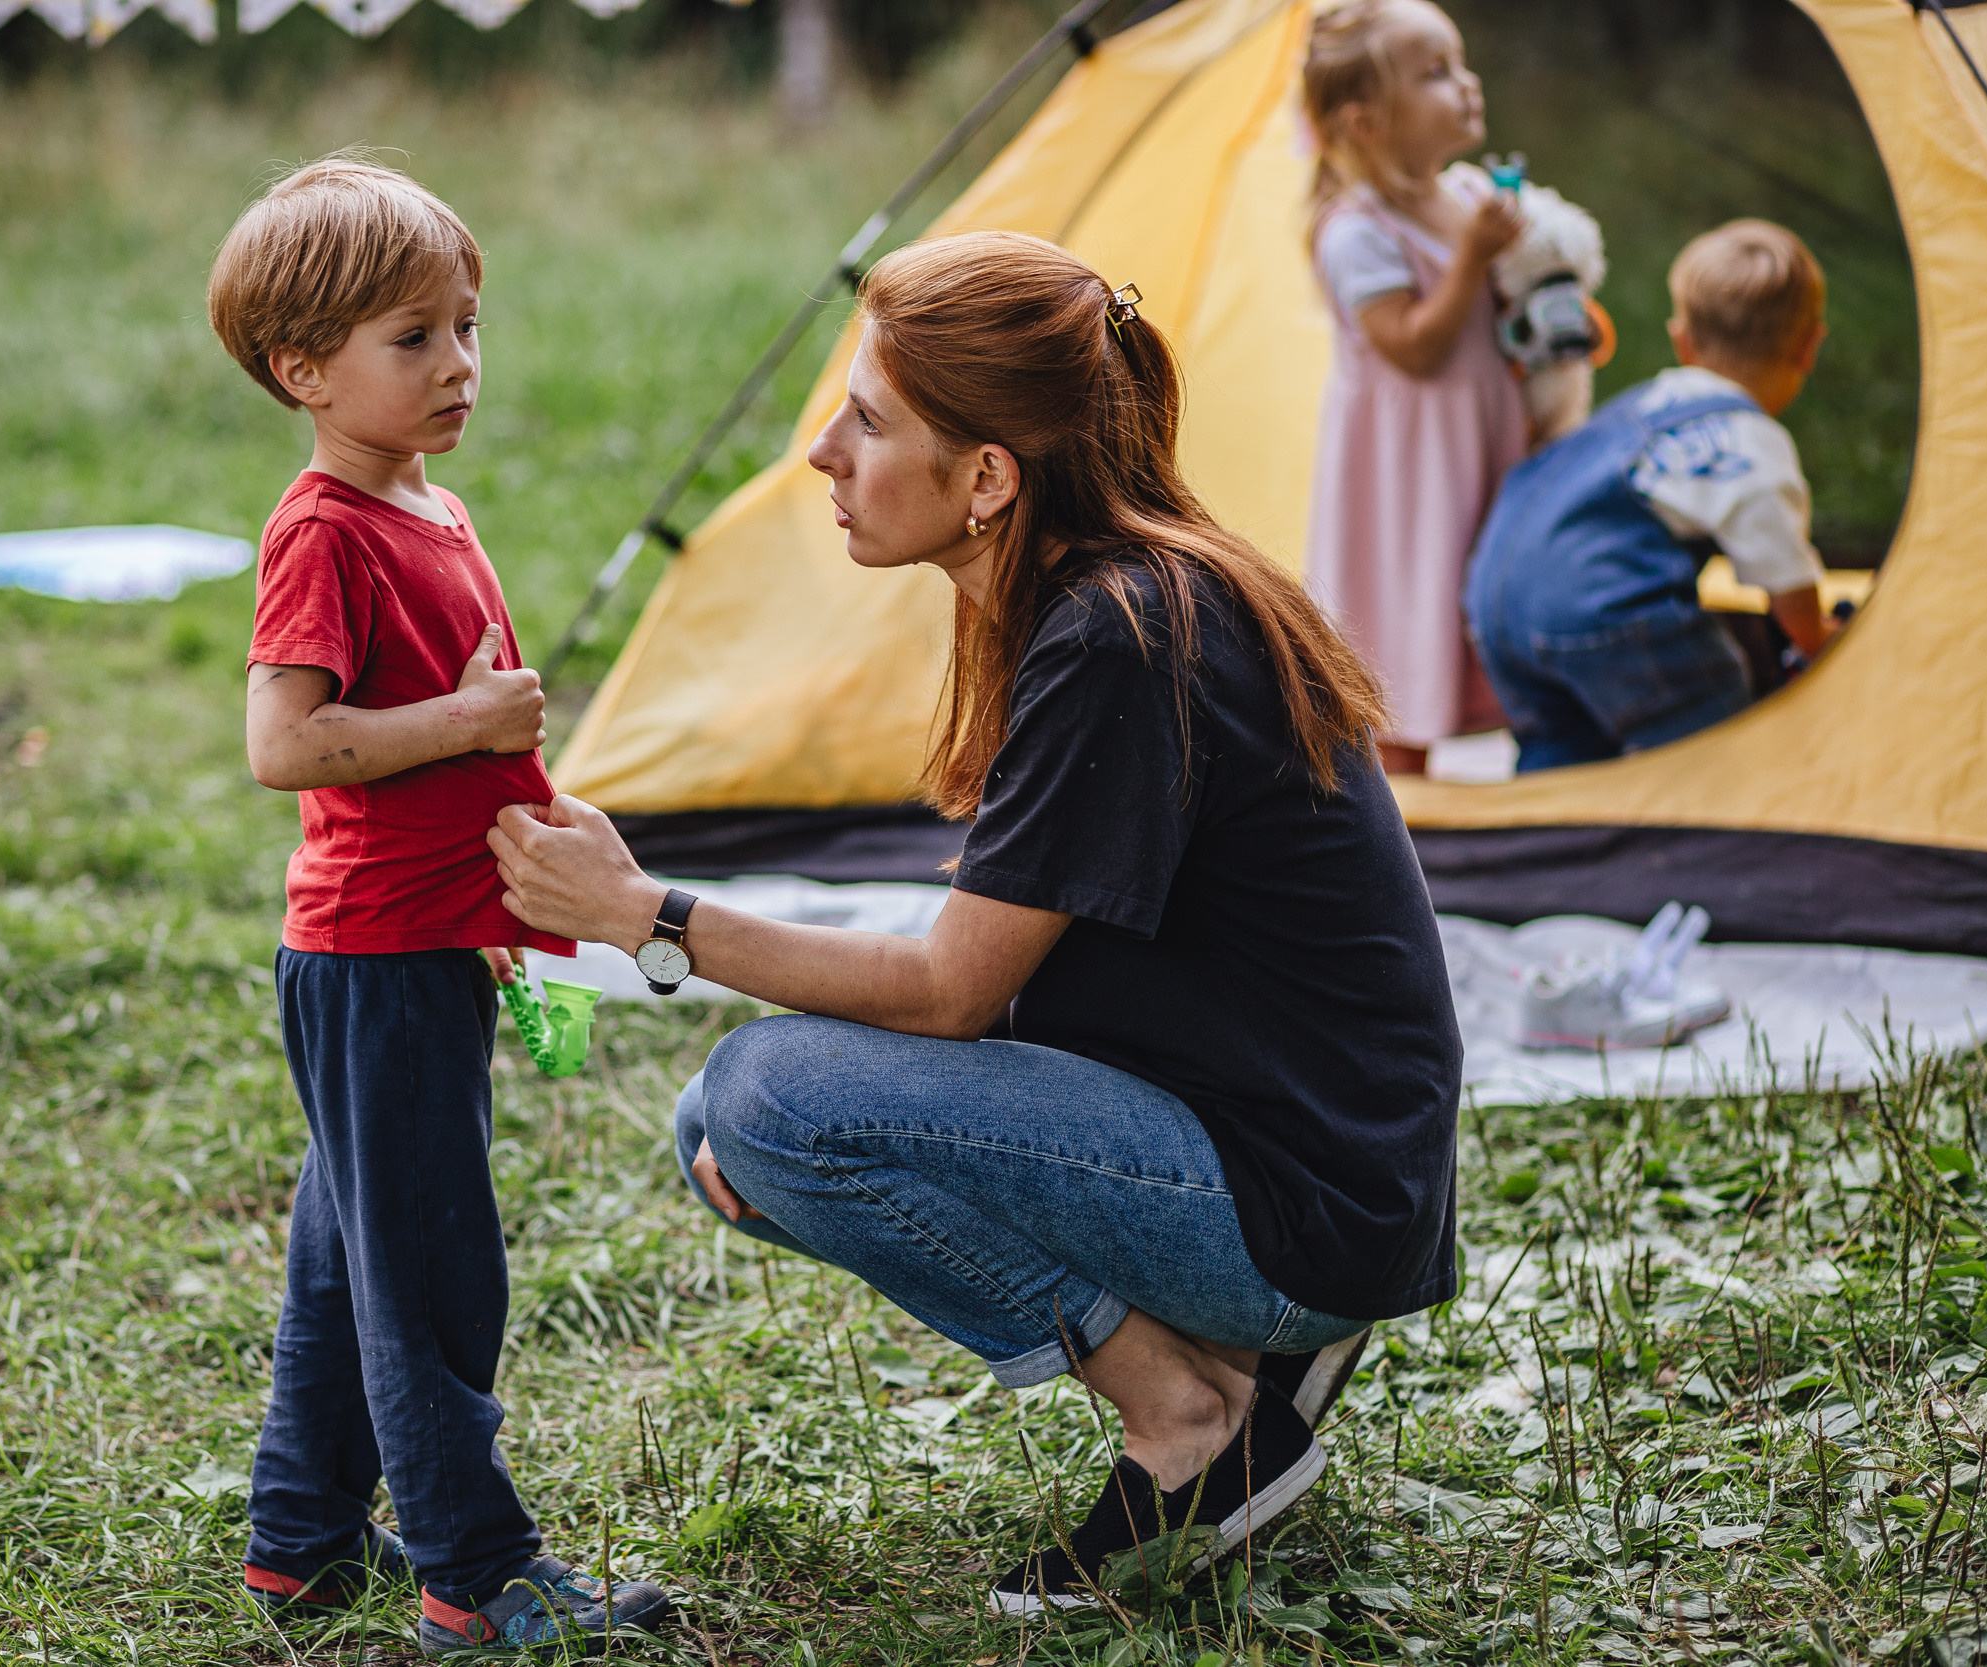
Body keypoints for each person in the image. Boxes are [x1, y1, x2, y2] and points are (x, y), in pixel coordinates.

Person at [488, 231, 1463, 1617]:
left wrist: (650, 915)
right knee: (727, 1121)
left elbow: (952, 992)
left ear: (989, 479)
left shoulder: (1122, 631)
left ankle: (1192, 1413)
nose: (824, 450)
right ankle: (1235, 1362)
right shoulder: (1111, 595)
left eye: (871, 418)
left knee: (769, 1100)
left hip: (1306, 1202)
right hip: (1308, 1163)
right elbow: (1002, 977)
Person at [210, 157, 672, 1655]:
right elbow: (287, 743)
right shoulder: (325, 531)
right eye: (413, 338)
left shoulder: (428, 501)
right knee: (431, 1272)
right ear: (305, 369)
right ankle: (477, 1569)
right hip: (371, 955)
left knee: (355, 1246)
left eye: (467, 325)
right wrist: (467, 732)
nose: (458, 363)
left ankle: (297, 1540)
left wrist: (512, 836)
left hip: (427, 941)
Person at [1464, 220, 1836, 770]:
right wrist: (1824, 640)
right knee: (1721, 732)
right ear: (1809, 346)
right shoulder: (1749, 440)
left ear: (1682, 340)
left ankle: (1542, 843)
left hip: (1495, 597)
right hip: (1599, 605)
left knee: (1564, 758)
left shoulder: (1643, 406)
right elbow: (1794, 601)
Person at [1301, 0, 1530, 775]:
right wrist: (1472, 259)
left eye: (1461, 64)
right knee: (1407, 618)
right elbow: (1412, 348)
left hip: (1480, 446)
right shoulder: (1355, 231)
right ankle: (1405, 813)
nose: (1466, 86)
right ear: (1366, 123)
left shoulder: (1466, 196)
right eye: (1435, 74)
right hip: (1408, 475)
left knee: (1491, 599)